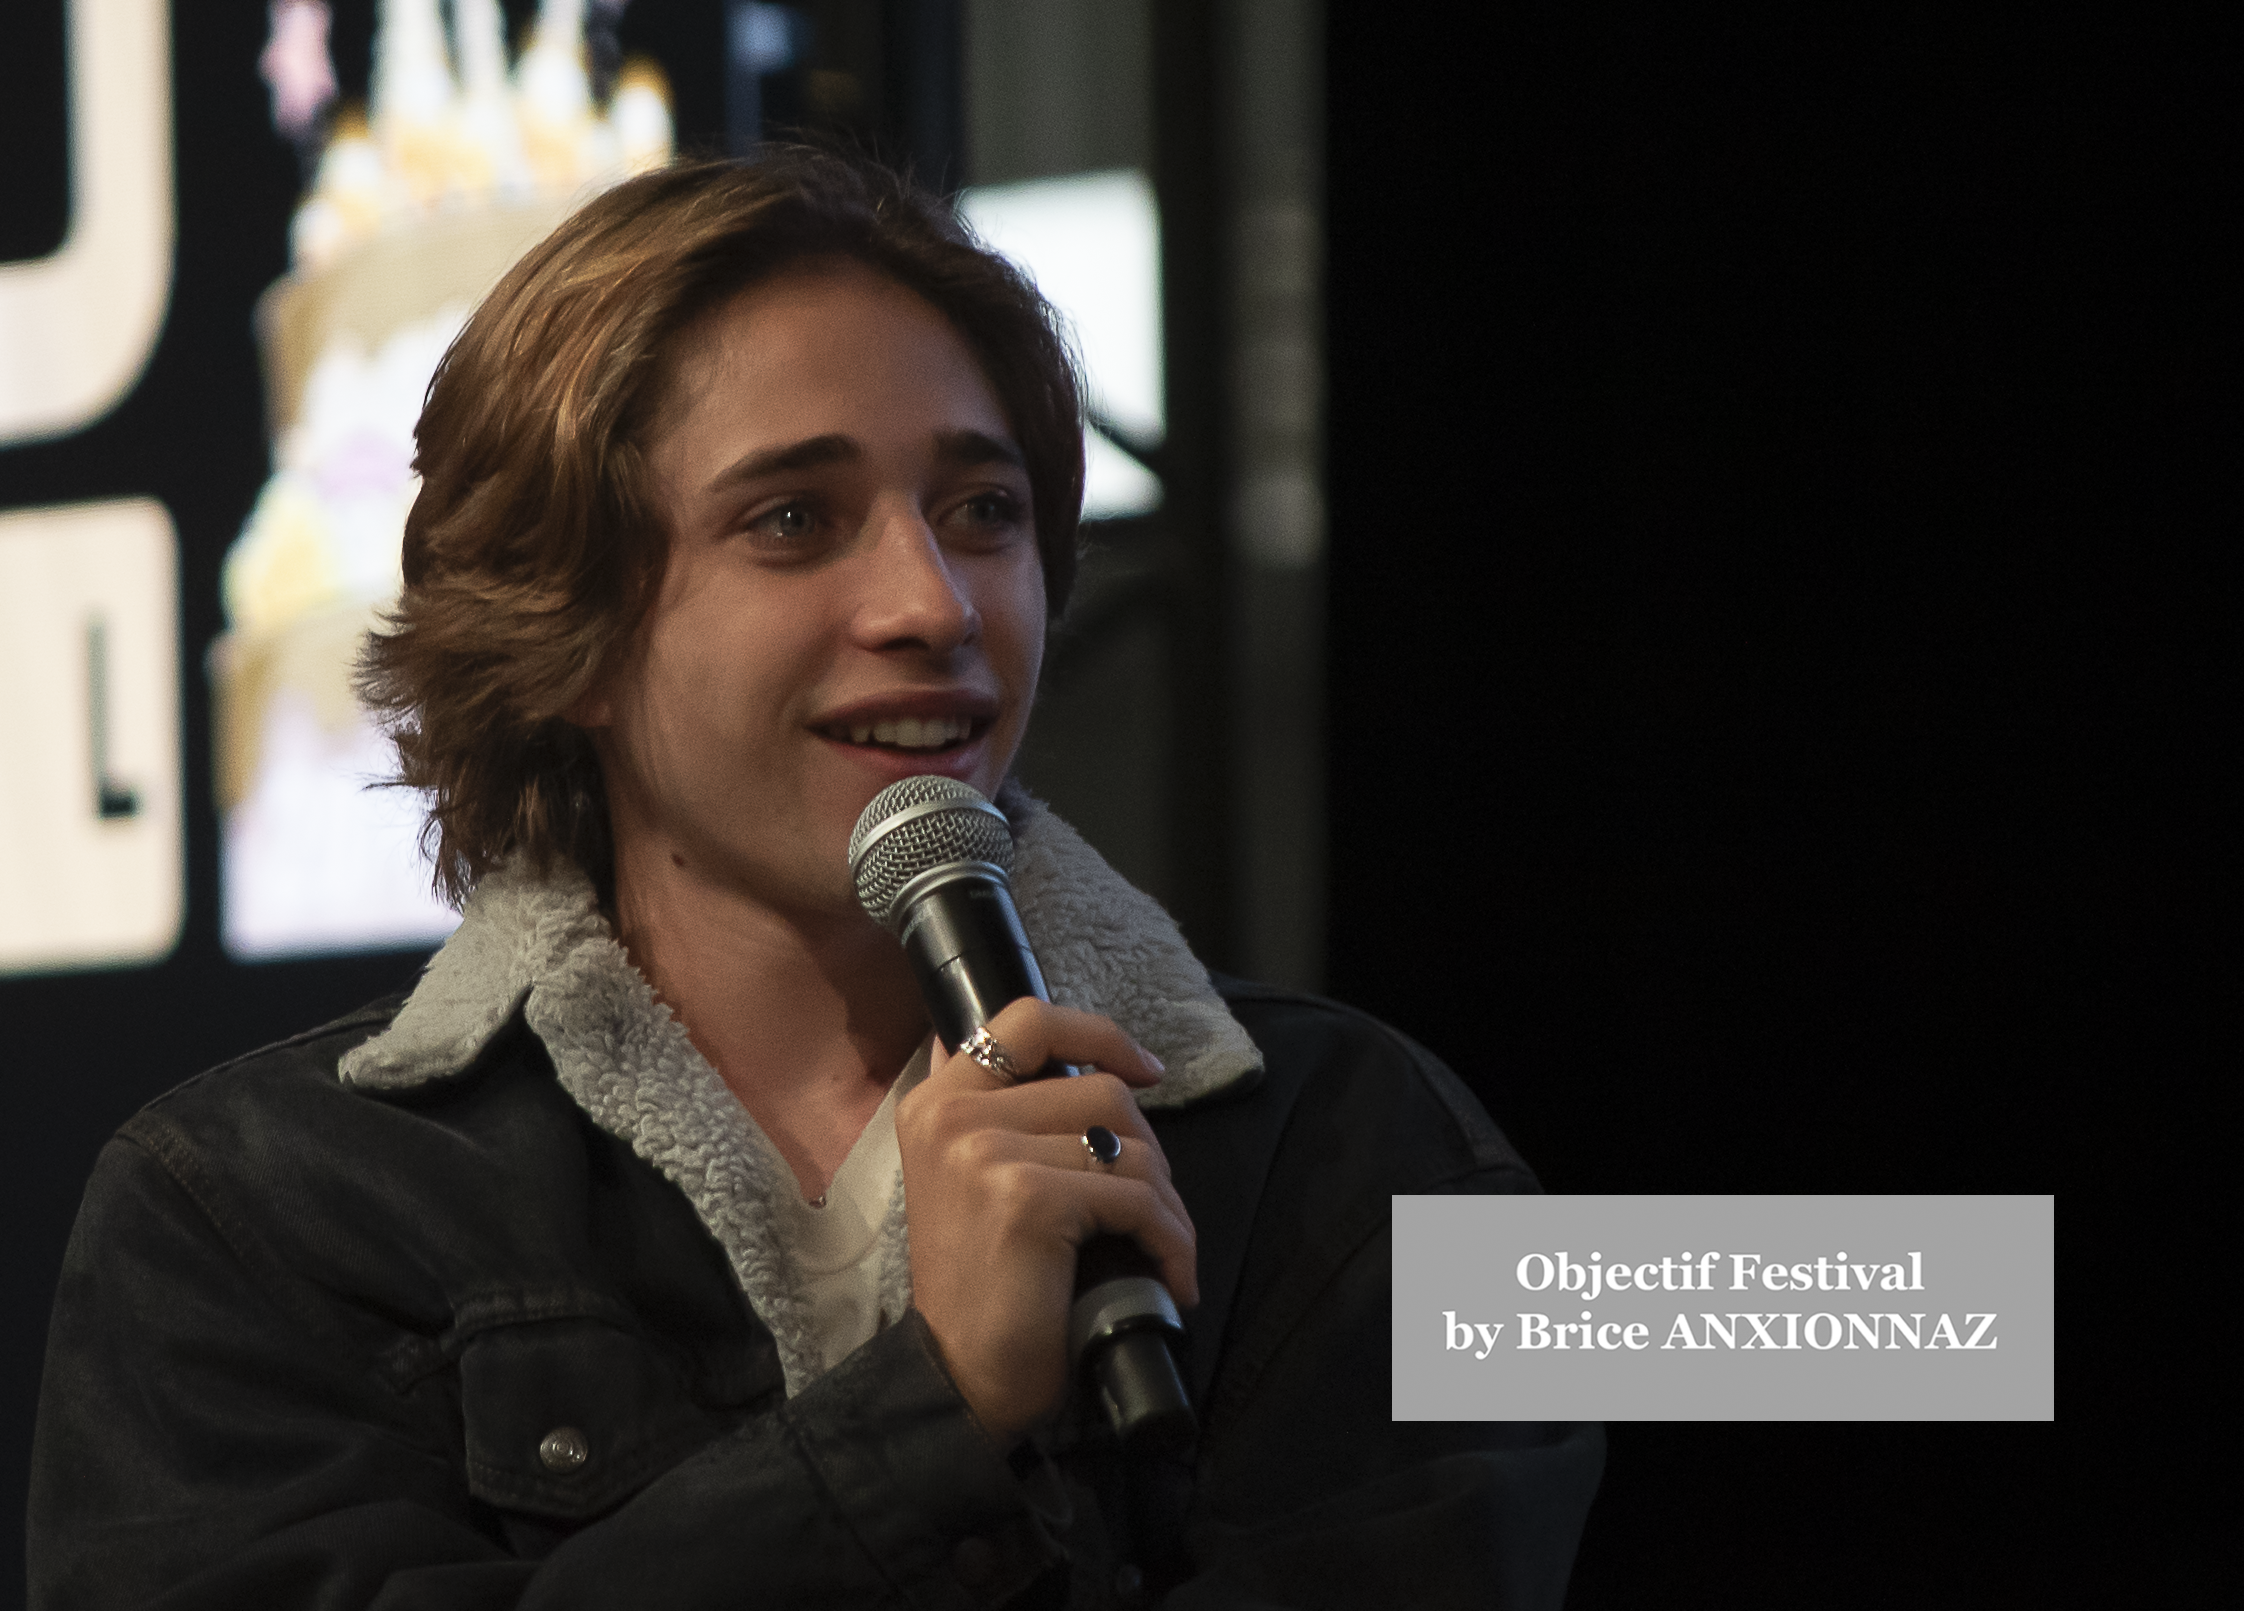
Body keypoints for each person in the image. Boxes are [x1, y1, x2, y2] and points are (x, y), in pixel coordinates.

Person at [28, 151, 1602, 1609]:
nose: (934, 599)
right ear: (563, 625)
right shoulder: (250, 1216)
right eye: (795, 520)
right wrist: (931, 1415)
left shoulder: (1355, 1146)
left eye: (983, 511)